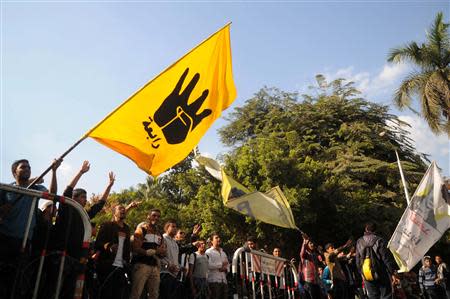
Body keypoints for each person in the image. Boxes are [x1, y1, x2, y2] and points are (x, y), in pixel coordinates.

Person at [48, 161, 115, 298]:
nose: (85, 200)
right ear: (74, 198)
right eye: (83, 197)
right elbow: (67, 190)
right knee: (54, 288)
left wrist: (109, 186)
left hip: (77, 258)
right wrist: (81, 172)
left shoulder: (85, 215)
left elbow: (100, 204)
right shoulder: (66, 208)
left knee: (71, 290)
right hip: (61, 254)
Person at [0, 158, 60, 298]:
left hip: (24, 241)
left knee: (19, 279)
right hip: (4, 238)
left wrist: (54, 171)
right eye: (23, 167)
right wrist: (2, 209)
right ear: (15, 172)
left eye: (28, 167)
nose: (27, 169)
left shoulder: (35, 189)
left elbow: (52, 194)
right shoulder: (6, 189)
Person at [95, 204, 131, 299]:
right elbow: (98, 243)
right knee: (106, 293)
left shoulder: (127, 228)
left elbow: (127, 248)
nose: (123, 210)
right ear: (114, 212)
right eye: (120, 208)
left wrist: (126, 262)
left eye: (124, 208)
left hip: (121, 267)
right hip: (107, 265)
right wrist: (109, 246)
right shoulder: (107, 225)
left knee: (119, 293)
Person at [355, 222, 397, 299]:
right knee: (386, 296)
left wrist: (361, 272)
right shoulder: (379, 240)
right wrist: (392, 272)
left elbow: (357, 260)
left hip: (367, 273)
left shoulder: (359, 241)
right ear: (375, 230)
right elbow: (386, 258)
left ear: (366, 229)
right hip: (381, 272)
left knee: (372, 296)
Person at [206, 232, 228, 299]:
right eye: (216, 238)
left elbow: (227, 264)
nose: (219, 239)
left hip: (224, 280)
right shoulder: (208, 252)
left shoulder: (223, 252)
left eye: (219, 238)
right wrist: (220, 264)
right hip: (213, 281)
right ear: (211, 241)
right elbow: (208, 265)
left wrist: (226, 269)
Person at [300, 234, 321, 299]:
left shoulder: (315, 254)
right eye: (310, 243)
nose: (312, 245)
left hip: (316, 282)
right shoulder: (305, 254)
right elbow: (302, 253)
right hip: (308, 282)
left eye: (313, 243)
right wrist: (304, 242)